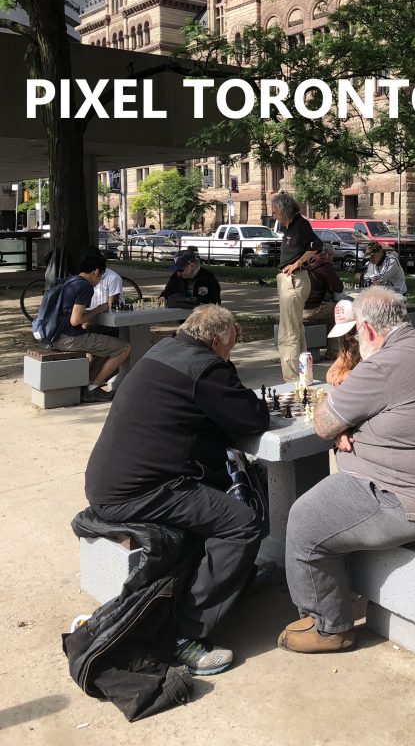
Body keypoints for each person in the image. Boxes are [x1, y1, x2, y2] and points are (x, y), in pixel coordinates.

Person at [278, 287, 415, 653]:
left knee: (305, 519)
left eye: (357, 335)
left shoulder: (383, 364)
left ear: (367, 330)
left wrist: (344, 425)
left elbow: (322, 424)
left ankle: (329, 627)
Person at [83, 305, 270, 676]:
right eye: (235, 338)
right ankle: (186, 635)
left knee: (220, 494)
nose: (237, 344)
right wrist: (225, 365)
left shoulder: (163, 350)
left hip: (109, 483)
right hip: (139, 493)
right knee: (242, 522)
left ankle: (235, 576)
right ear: (217, 340)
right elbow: (252, 417)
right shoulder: (205, 367)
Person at [51, 248, 131, 403]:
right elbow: (76, 320)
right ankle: (92, 389)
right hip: (70, 338)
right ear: (96, 271)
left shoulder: (70, 281)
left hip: (57, 335)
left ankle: (87, 385)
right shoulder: (85, 287)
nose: (99, 281)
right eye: (100, 277)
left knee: (104, 346)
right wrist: (97, 310)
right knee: (124, 348)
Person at [273, 191, 322, 381]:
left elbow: (316, 245)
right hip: (290, 280)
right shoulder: (290, 227)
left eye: (276, 212)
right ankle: (303, 374)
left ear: (285, 211)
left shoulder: (300, 225)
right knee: (296, 329)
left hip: (294, 280)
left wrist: (297, 263)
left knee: (288, 332)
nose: (274, 215)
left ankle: (291, 378)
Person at [303, 246, 344, 352]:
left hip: (300, 307)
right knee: (338, 312)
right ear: (327, 255)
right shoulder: (324, 265)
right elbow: (338, 287)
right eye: (332, 257)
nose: (332, 260)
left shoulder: (309, 263)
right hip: (312, 308)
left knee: (329, 311)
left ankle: (326, 343)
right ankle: (333, 350)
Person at [325, 297, 361, 386]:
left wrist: (344, 374)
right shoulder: (353, 345)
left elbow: (368, 377)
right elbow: (330, 374)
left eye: (351, 330)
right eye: (344, 333)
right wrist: (344, 374)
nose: (347, 338)